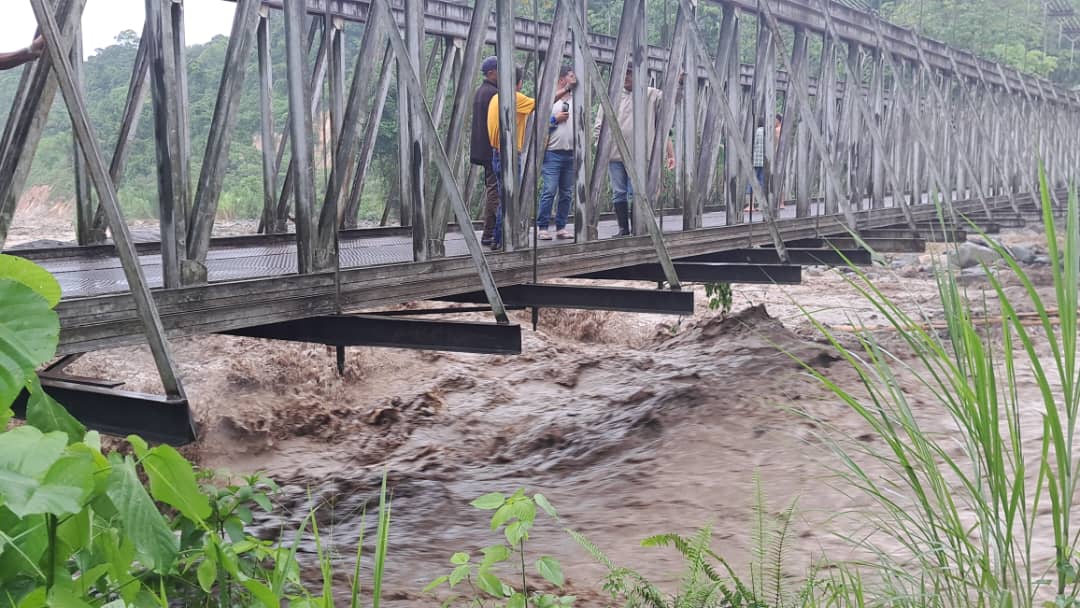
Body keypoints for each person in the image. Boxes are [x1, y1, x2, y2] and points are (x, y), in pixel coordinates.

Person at [593, 62, 676, 237]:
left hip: (640, 156)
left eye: (630, 73)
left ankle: (639, 228)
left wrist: (679, 81)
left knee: (638, 192)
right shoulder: (611, 96)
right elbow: (599, 126)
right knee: (619, 192)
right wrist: (599, 146)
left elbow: (668, 109)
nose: (626, 77)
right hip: (615, 155)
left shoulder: (651, 94)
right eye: (624, 73)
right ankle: (623, 229)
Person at [487, 65, 535, 250]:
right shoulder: (516, 98)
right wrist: (565, 89)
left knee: (503, 197)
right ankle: (501, 238)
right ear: (519, 83)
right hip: (510, 155)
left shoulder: (495, 98)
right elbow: (543, 104)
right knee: (509, 199)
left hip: (496, 153)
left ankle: (498, 237)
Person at [536, 65, 578, 241]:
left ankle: (561, 227)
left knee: (567, 192)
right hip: (552, 153)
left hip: (570, 153)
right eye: (571, 75)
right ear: (562, 80)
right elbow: (537, 125)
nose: (575, 78)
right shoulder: (551, 101)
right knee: (549, 190)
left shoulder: (578, 100)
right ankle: (542, 227)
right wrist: (555, 119)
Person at [470, 56, 501, 246]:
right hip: (492, 149)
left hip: (482, 149)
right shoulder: (493, 94)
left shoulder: (481, 91)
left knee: (492, 189)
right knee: (495, 190)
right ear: (491, 73)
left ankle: (489, 231)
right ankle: (489, 232)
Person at [745, 113, 783, 213]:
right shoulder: (768, 132)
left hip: (754, 161)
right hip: (765, 161)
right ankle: (762, 206)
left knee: (752, 183)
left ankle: (750, 206)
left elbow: (750, 146)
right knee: (763, 183)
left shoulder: (755, 132)